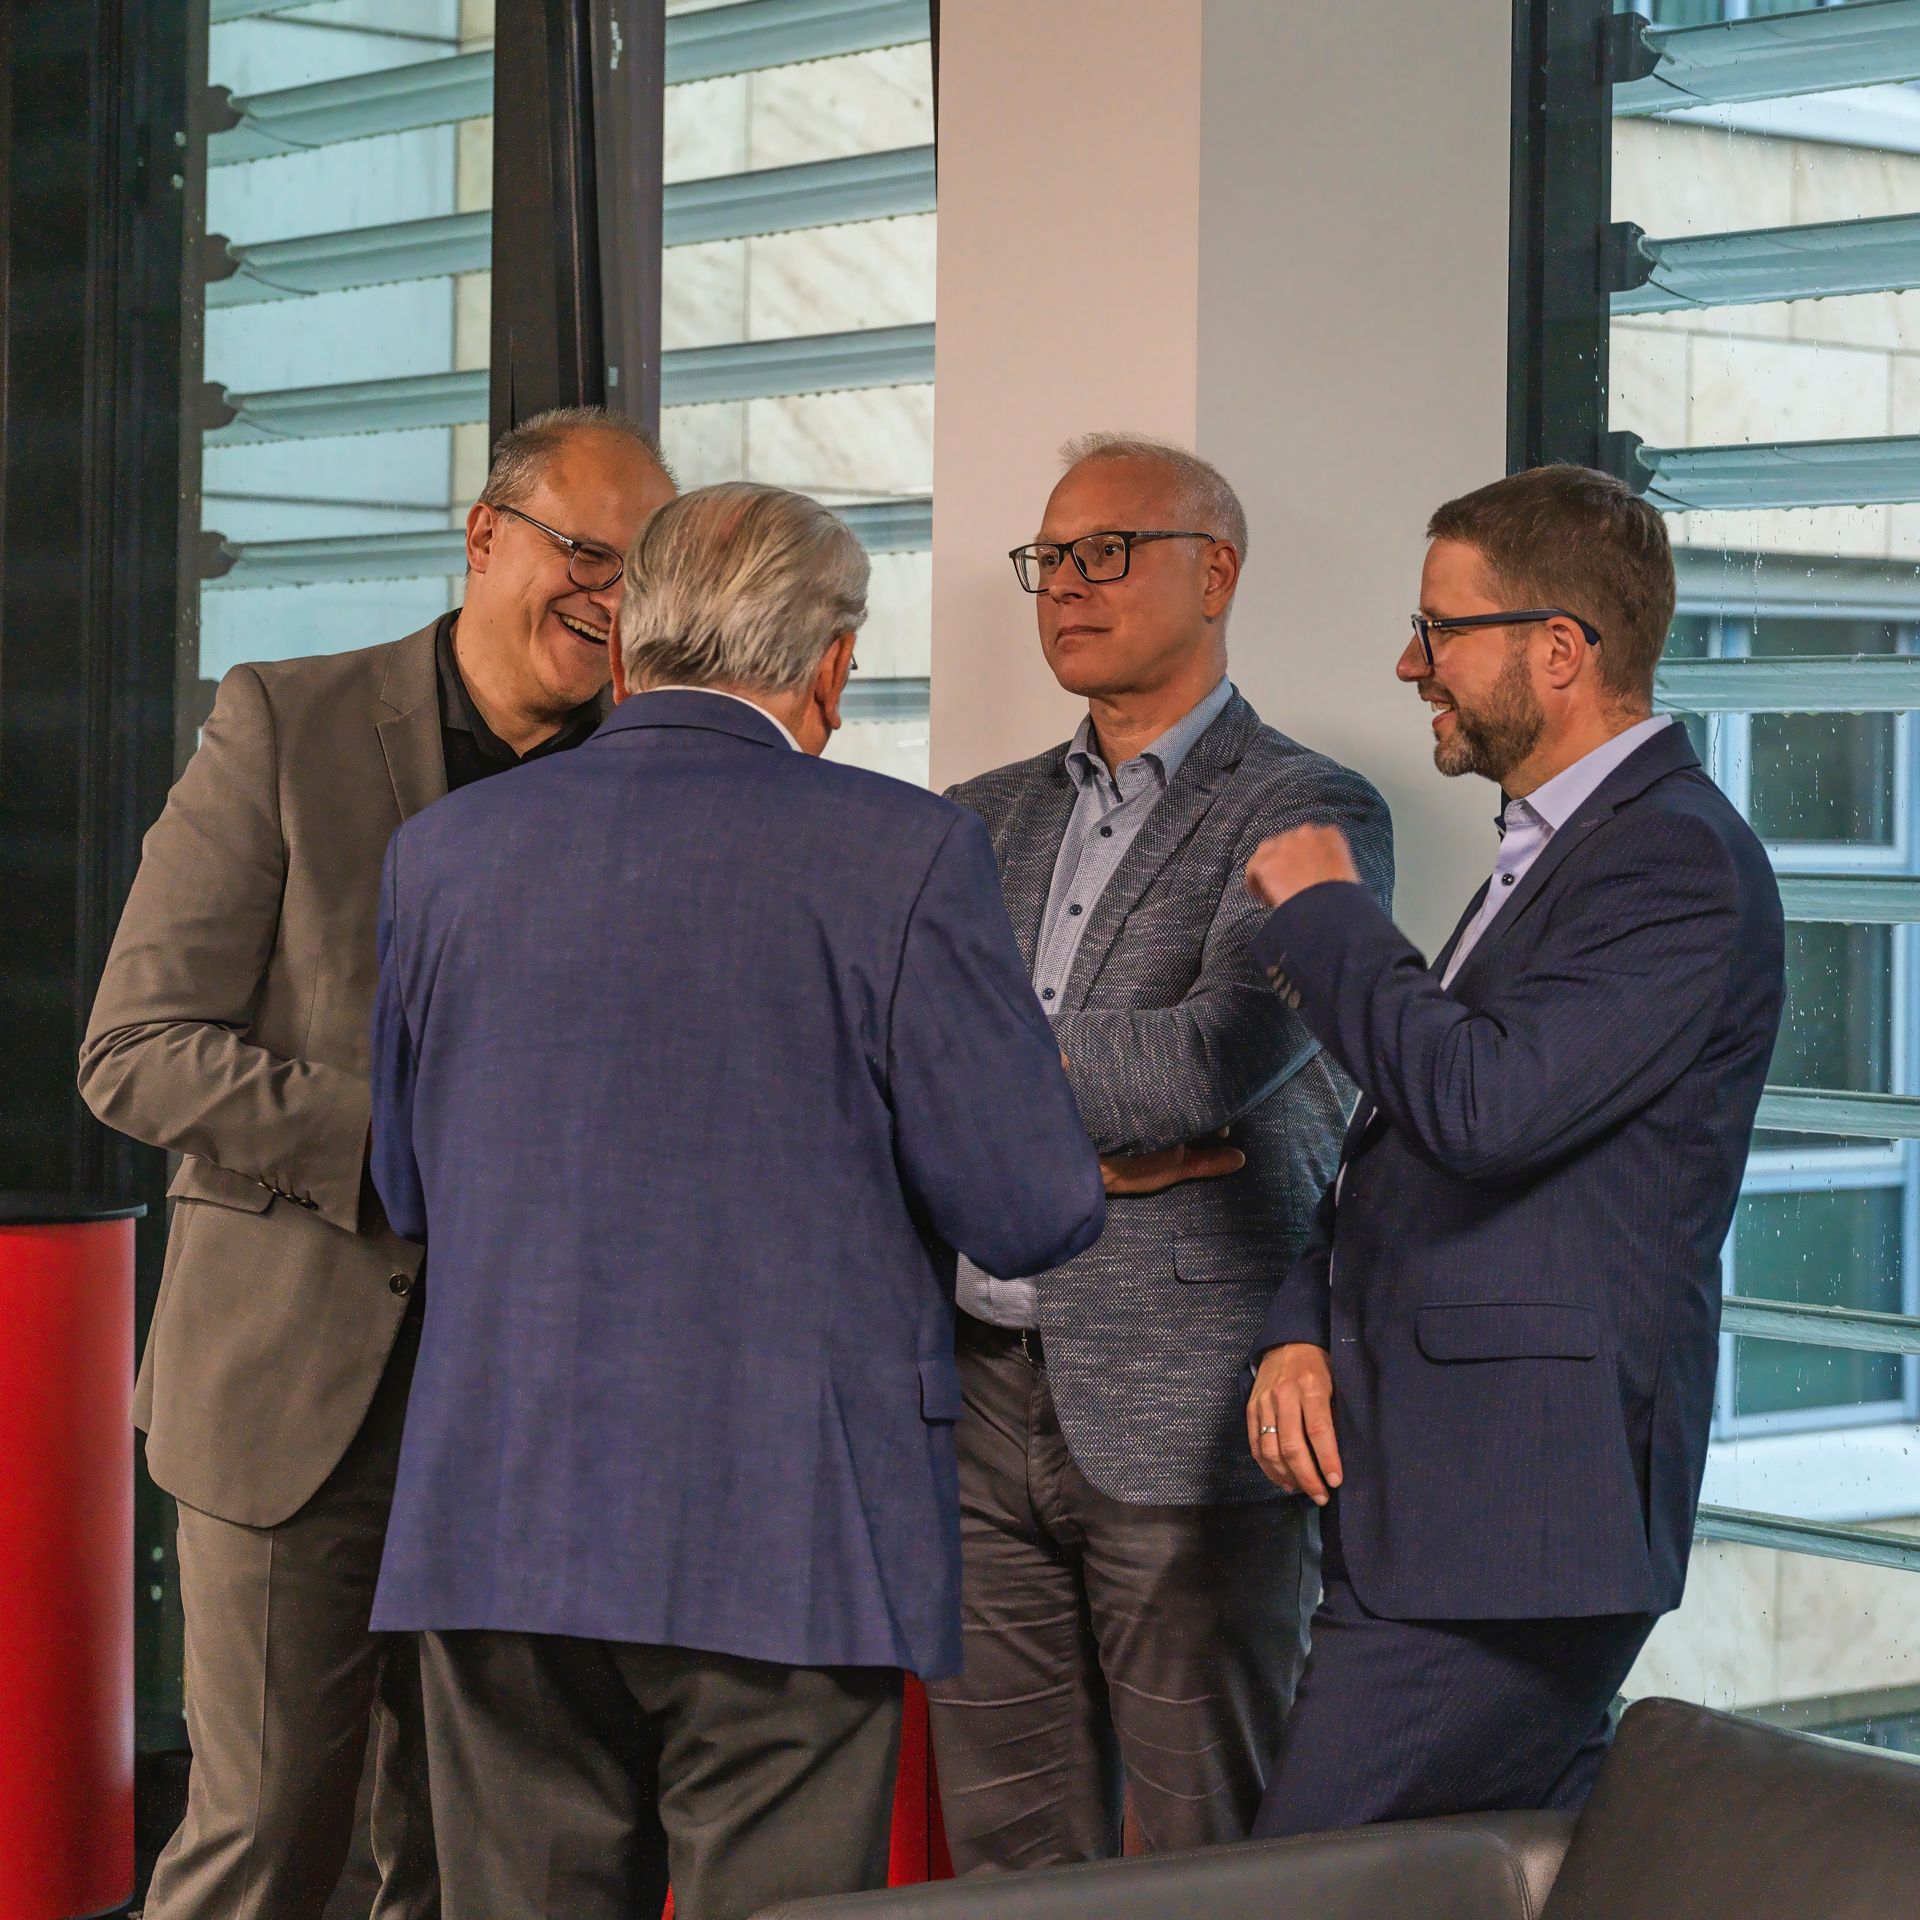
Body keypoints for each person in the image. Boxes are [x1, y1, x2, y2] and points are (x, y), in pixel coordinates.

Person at [366, 481, 1108, 1920]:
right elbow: (1030, 1207)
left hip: (499, 1513)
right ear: (831, 662)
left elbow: (406, 1183)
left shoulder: (443, 855)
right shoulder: (904, 851)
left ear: (627, 645)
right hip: (789, 1527)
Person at [78, 406, 675, 1919]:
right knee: (269, 1836)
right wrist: (406, 1140)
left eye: (641, 571)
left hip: (533, 1417)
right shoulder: (287, 721)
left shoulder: (645, 784)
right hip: (293, 1394)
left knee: (462, 1856)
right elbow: (135, 1047)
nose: (609, 597)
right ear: (485, 535)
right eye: (584, 551)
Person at [1241, 464, 1785, 1834]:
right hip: (1456, 1511)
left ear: (1559, 649)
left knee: (1300, 1892)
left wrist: (1327, 912)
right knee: (1500, 1874)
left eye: (1440, 629)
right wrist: (1301, 1322)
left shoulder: (1675, 860)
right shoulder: (1560, 844)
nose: (1409, 664)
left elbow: (1481, 1107)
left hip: (1512, 1530)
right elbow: (1398, 1147)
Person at [925, 435, 1393, 1869]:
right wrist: (1076, 1155)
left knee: (1211, 1848)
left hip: (1189, 1404)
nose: (1065, 584)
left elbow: (1206, 1061)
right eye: (1048, 559)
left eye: (1106, 552)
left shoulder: (1309, 810)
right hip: (974, 1387)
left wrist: (976, 1078)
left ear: (1217, 571)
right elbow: (889, 1067)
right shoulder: (973, 817)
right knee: (1008, 1855)